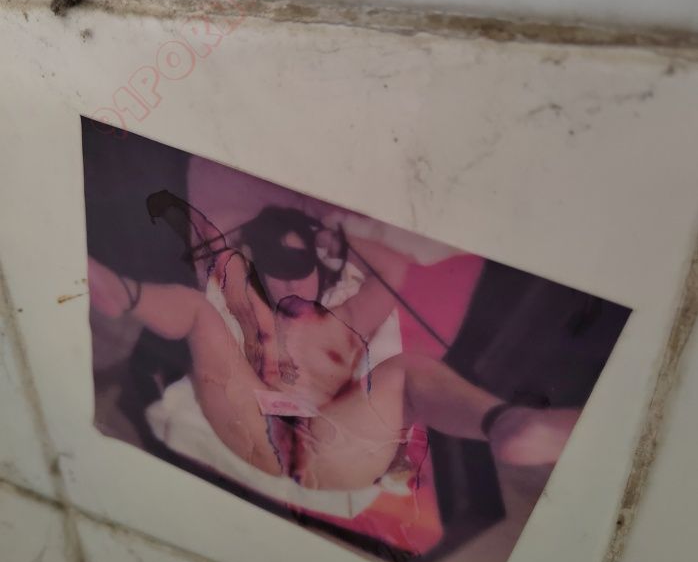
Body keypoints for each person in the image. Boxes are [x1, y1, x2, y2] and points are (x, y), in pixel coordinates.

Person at [88, 196, 580, 491]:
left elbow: (393, 269)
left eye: (299, 265)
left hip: (332, 440)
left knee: (407, 369)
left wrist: (337, 234)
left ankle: (506, 422)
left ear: (322, 266)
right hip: (253, 423)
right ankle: (123, 294)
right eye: (276, 267)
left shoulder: (345, 318)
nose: (288, 281)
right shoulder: (247, 307)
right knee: (198, 311)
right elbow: (212, 243)